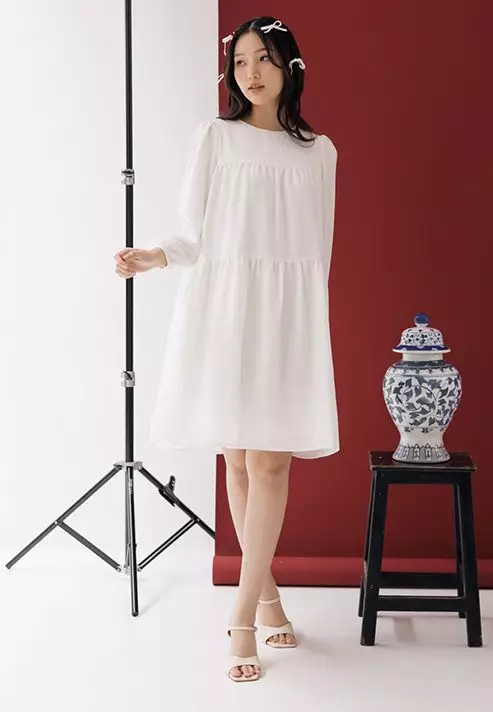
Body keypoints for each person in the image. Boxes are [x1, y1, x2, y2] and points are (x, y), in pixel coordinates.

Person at [114, 15, 339, 683]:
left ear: (289, 65)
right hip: (225, 307)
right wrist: (156, 255)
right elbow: (194, 231)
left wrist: (305, 326)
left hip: (287, 316)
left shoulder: (320, 152)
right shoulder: (216, 136)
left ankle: (241, 615)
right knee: (238, 462)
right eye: (240, 61)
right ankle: (267, 596)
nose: (251, 73)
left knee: (270, 463)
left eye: (263, 58)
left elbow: (319, 253)